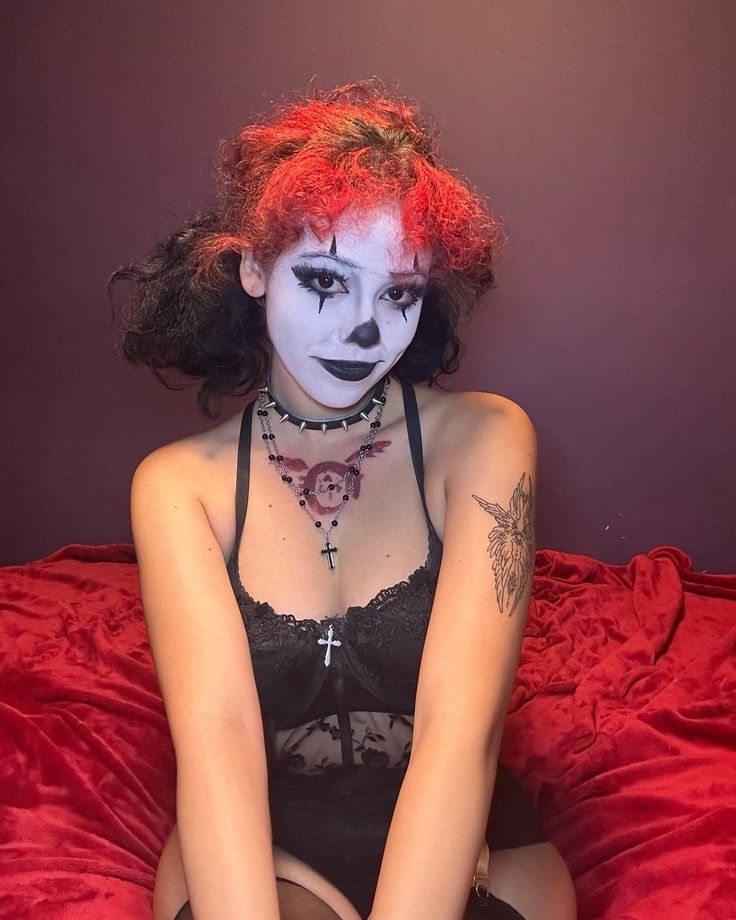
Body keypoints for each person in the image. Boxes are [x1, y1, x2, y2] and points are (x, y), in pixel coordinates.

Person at [112, 79, 576, 920]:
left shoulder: (484, 440)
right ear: (255, 269)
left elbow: (460, 732)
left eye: (398, 293)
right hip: (269, 845)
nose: (365, 330)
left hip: (465, 843)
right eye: (327, 281)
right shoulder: (179, 485)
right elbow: (218, 740)